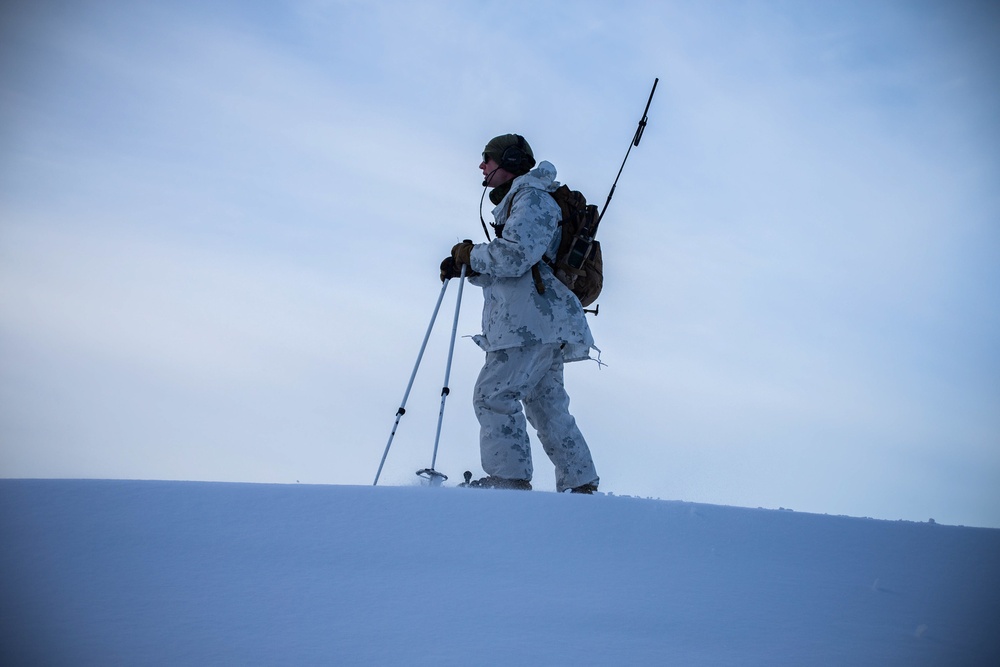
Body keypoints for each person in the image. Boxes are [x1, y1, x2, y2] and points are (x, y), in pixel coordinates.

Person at [440, 133, 600, 493]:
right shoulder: (523, 201)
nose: (481, 166)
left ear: (510, 160)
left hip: (528, 325)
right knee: (547, 406)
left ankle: (508, 481)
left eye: (488, 158)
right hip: (542, 323)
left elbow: (514, 257)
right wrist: (466, 268)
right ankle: (581, 483)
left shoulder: (532, 199)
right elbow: (526, 267)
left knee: (493, 394)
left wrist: (471, 254)